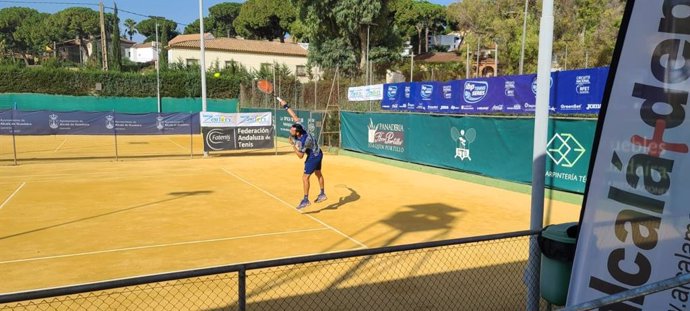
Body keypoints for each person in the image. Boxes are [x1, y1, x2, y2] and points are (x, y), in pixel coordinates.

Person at [278, 98, 327, 209]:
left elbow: (300, 156)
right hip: (318, 153)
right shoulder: (301, 127)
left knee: (305, 178)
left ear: (298, 132)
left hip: (313, 156)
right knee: (318, 173)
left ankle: (305, 200)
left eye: (292, 130)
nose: (291, 130)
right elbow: (294, 116)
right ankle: (322, 194)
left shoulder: (304, 141)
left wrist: (292, 145)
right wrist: (285, 105)